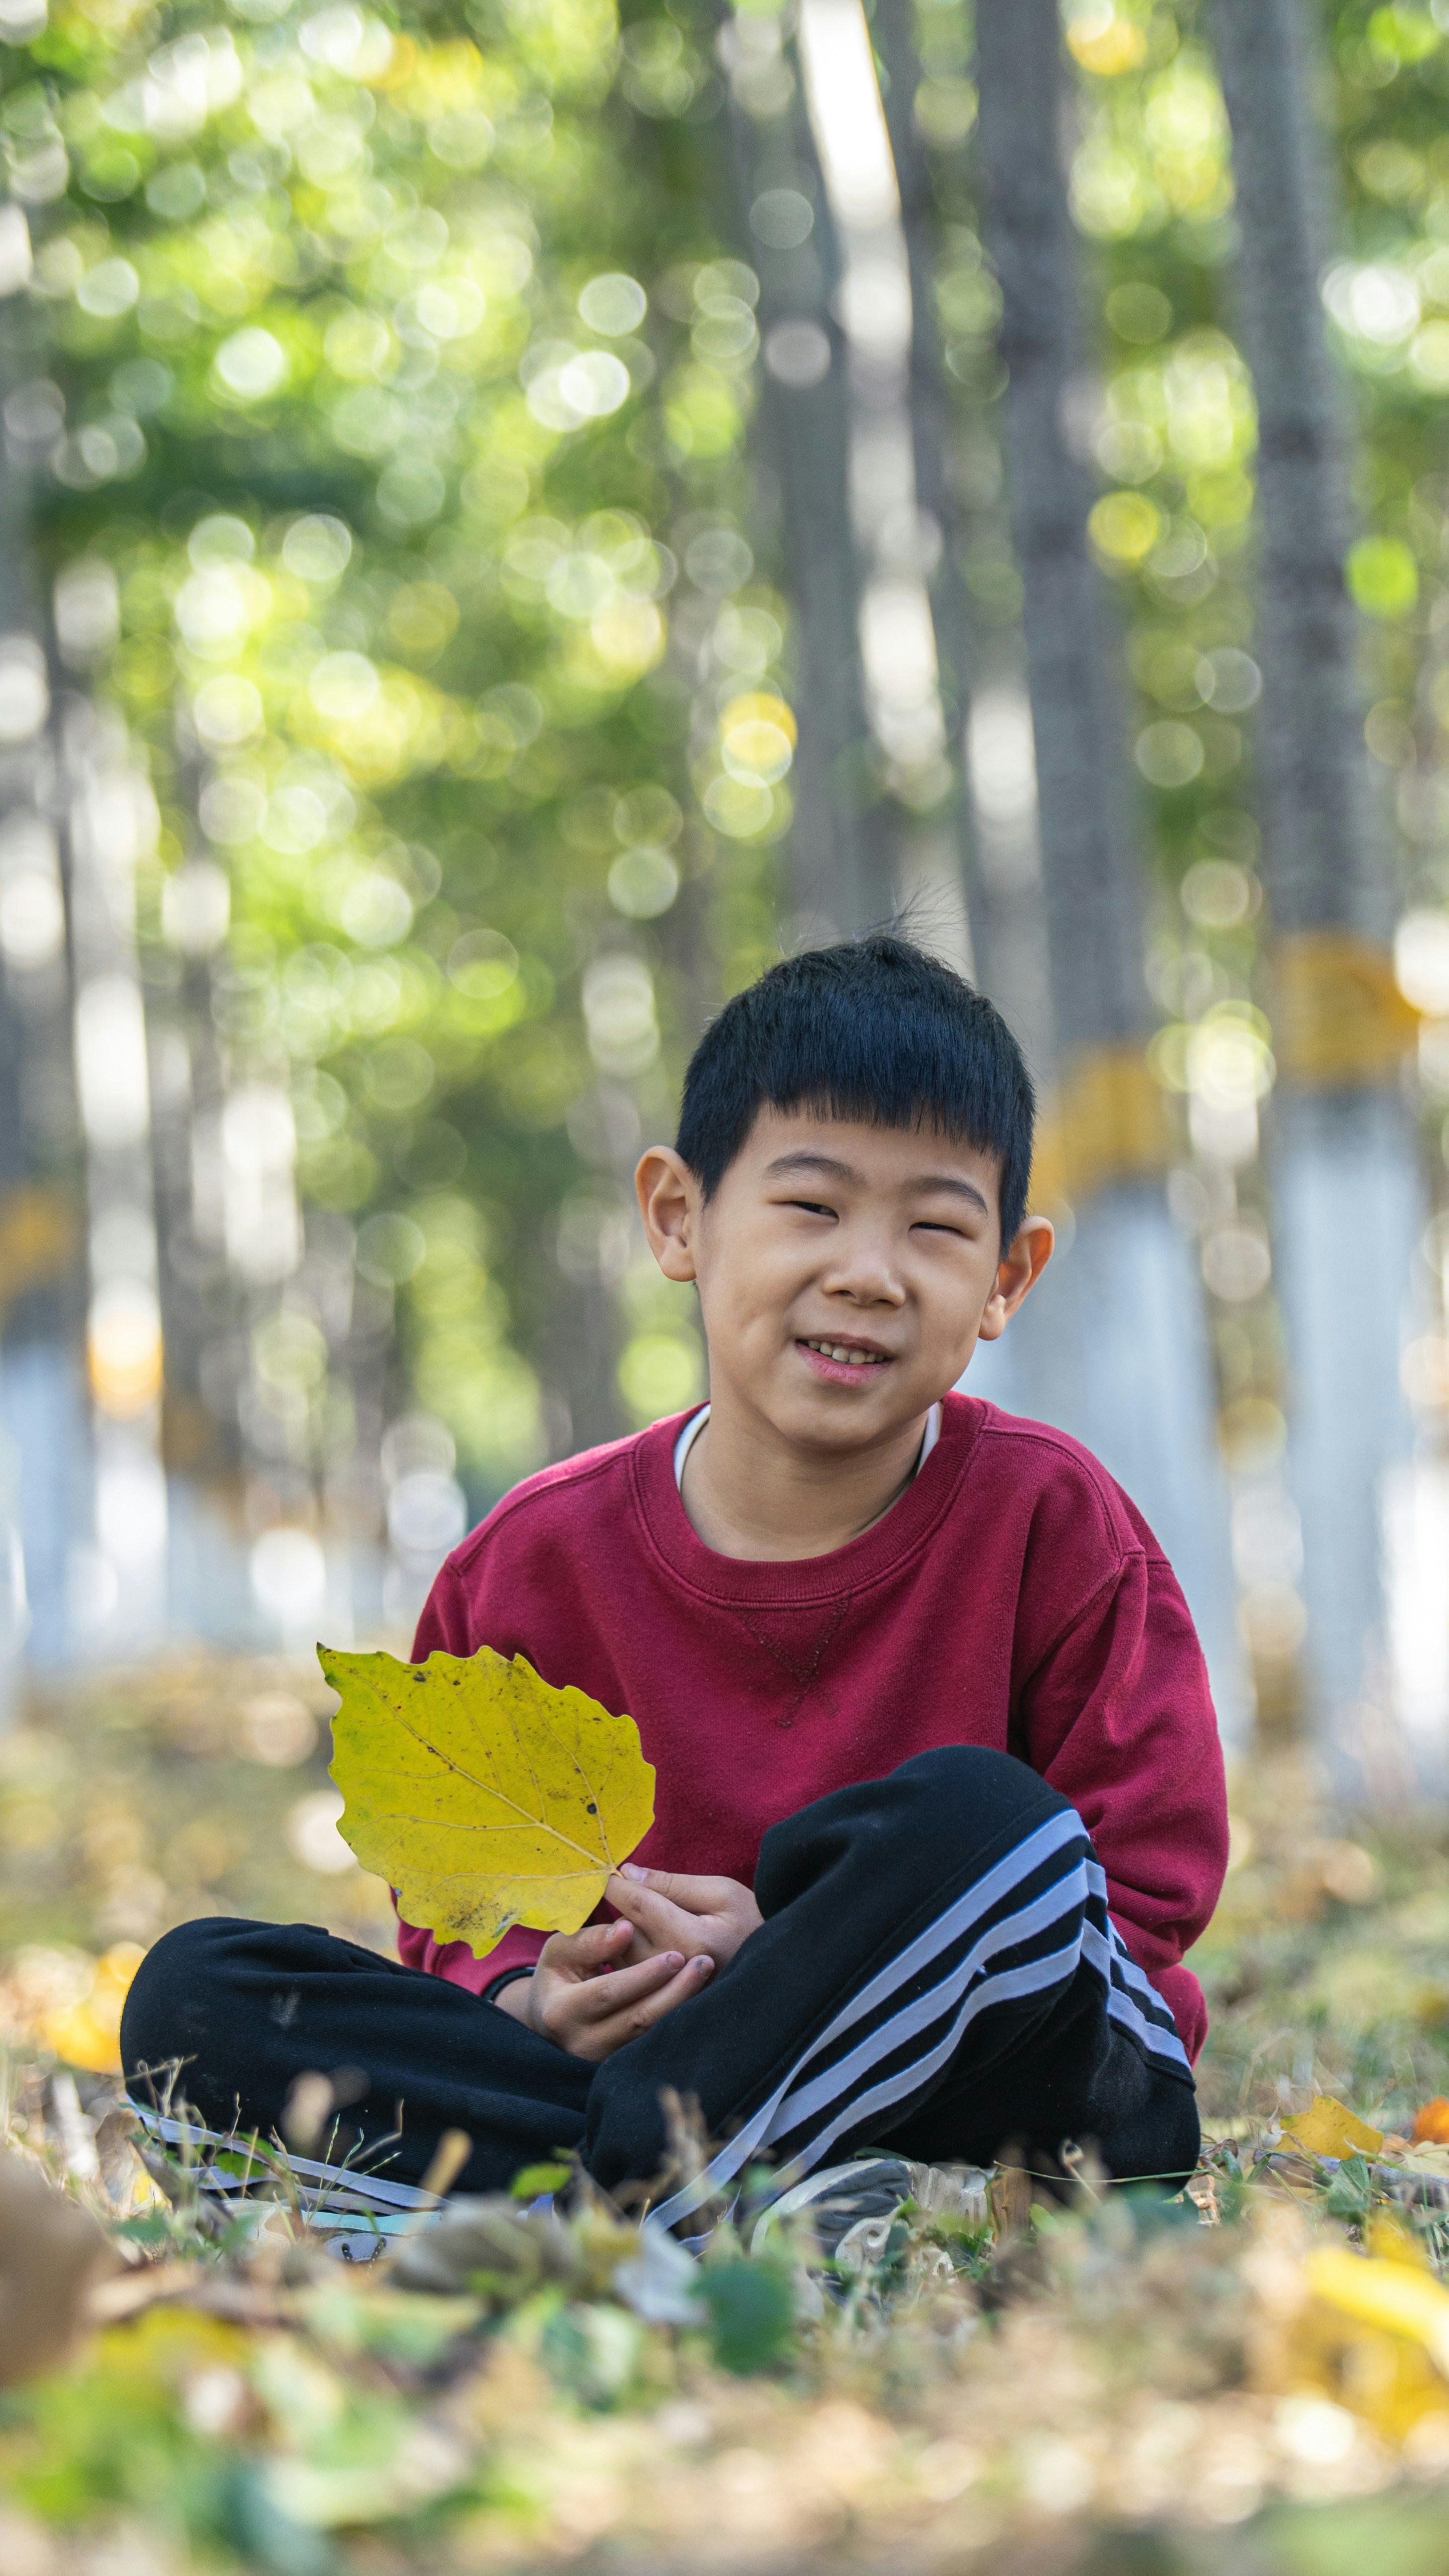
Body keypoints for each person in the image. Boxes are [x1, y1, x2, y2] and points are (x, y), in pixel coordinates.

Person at [123, 937, 1226, 2234]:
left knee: (992, 1828)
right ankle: (729, 2204)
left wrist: (802, 1963)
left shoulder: (1053, 1518)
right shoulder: (529, 1565)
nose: (867, 1270)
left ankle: (612, 2205)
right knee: (198, 1995)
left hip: (983, 2098)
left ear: (1004, 1279)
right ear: (676, 1218)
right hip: (626, 2082)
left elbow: (1135, 1893)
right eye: (810, 1207)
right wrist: (540, 1999)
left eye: (932, 1226)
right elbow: (452, 1915)